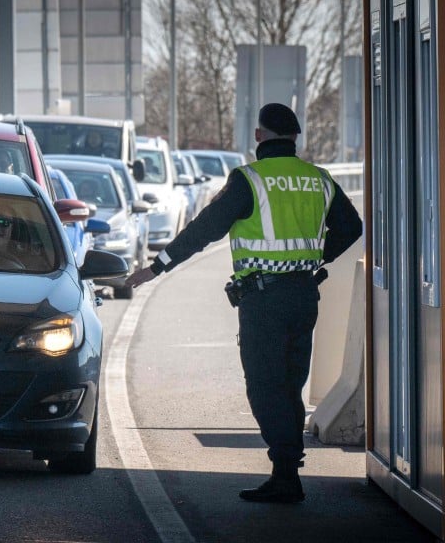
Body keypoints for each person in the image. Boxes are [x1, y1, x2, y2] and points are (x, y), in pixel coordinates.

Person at [125, 103, 363, 504]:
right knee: (290, 383)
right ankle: (286, 471)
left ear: (258, 135)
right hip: (304, 294)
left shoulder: (249, 180)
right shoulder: (319, 179)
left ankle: (286, 469)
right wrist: (318, 257)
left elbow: (204, 229)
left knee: (265, 386)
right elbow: (352, 226)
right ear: (295, 137)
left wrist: (157, 266)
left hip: (264, 299)